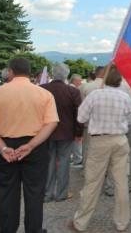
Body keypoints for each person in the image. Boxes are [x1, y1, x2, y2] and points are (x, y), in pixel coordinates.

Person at [0, 57, 59, 233]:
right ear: (29, 72)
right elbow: (51, 123)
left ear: (11, 71)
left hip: (5, 145)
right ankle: (34, 230)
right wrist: (31, 145)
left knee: (7, 192)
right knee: (35, 193)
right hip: (35, 146)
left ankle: (7, 230)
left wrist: (2, 148)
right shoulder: (44, 94)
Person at [71, 65, 131, 232]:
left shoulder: (95, 95)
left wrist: (94, 117)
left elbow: (81, 117)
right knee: (121, 182)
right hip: (120, 140)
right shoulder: (125, 97)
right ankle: (122, 222)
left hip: (99, 140)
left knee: (92, 182)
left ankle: (81, 222)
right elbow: (129, 121)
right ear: (119, 79)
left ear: (104, 78)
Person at [41, 63, 82, 203]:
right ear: (67, 75)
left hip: (46, 132)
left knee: (48, 162)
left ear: (52, 73)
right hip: (66, 132)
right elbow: (78, 115)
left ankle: (47, 193)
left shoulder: (42, 89)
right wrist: (79, 133)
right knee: (64, 162)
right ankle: (61, 193)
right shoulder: (73, 91)